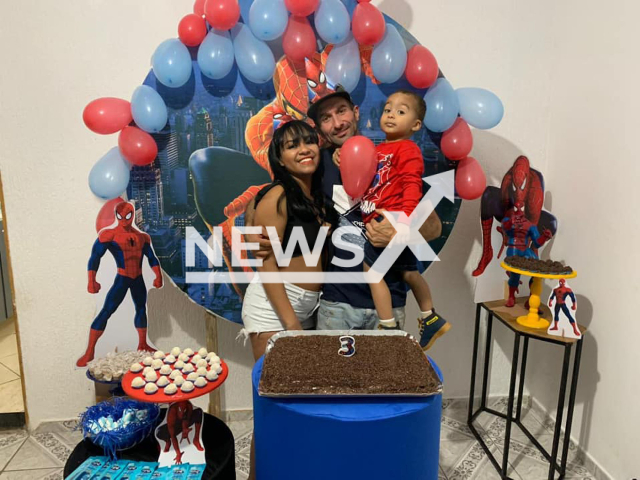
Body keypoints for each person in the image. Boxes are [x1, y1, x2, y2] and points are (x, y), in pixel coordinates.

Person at [247, 85, 443, 339]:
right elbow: (272, 194)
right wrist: (252, 231)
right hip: (336, 303)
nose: (337, 123)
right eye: (326, 119)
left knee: (384, 378)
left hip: (389, 303)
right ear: (319, 129)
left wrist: (399, 232)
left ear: (357, 112)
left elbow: (434, 227)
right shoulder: (315, 164)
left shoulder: (389, 158)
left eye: (342, 112)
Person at [332, 90, 450, 349]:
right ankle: (430, 317)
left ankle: (386, 324)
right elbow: (364, 174)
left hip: (388, 220)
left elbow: (411, 185)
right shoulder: (380, 149)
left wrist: (404, 221)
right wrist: (341, 159)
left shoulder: (408, 150)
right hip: (386, 219)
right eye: (387, 109)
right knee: (408, 271)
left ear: (416, 125)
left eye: (401, 111)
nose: (391, 115)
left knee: (373, 274)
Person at [240, 120, 338, 361]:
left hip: (309, 307)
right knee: (276, 389)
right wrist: (292, 325)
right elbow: (267, 265)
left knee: (302, 387)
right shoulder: (278, 195)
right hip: (274, 309)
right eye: (293, 146)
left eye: (309, 142)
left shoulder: (316, 199)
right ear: (280, 159)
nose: (304, 149)